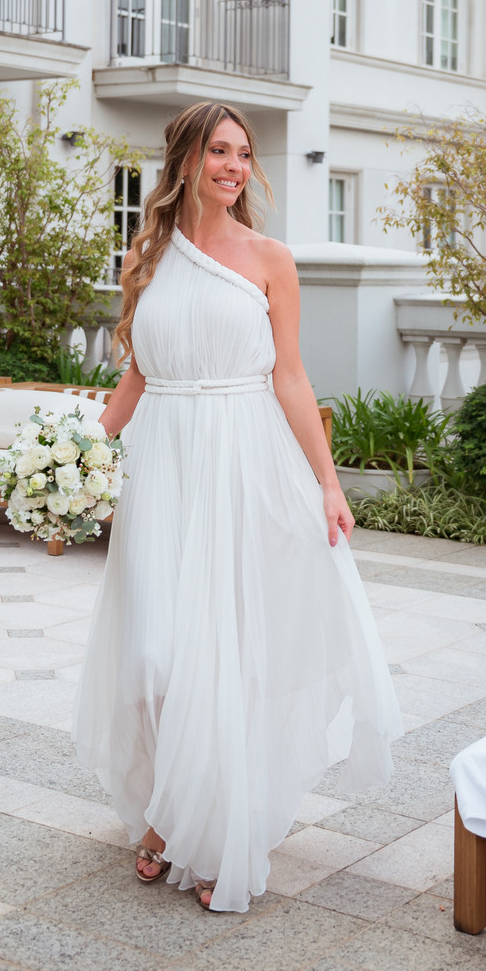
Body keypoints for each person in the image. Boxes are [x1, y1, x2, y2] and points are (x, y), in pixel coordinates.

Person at [73, 100, 401, 912]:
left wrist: (328, 481)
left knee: (224, 654)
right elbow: (138, 375)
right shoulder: (146, 256)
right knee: (153, 653)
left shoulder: (269, 258)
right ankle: (168, 804)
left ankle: (212, 830)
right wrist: (77, 454)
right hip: (163, 465)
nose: (234, 166)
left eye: (244, 154)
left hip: (242, 462)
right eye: (219, 151)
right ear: (186, 159)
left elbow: (290, 376)